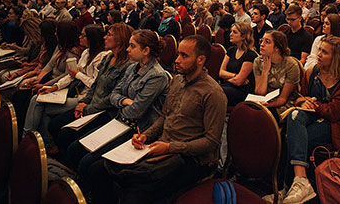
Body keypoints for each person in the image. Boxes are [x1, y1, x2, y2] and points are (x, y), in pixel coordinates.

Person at [89, 35, 227, 204]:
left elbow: (211, 142)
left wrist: (170, 147)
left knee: (134, 194)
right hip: (163, 145)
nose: (176, 60)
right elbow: (164, 116)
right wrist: (146, 135)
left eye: (184, 56)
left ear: (200, 60)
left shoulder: (213, 93)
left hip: (191, 159)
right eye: (177, 54)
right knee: (98, 169)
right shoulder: (177, 81)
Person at [67, 29, 170, 188]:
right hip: (120, 121)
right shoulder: (133, 67)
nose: (128, 49)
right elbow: (114, 94)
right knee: (75, 148)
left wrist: (121, 103)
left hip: (137, 129)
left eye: (132, 46)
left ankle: (86, 191)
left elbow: (136, 111)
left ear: (146, 51)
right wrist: (125, 101)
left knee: (89, 163)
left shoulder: (157, 75)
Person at [272, 36, 340, 204]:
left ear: (336, 57)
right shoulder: (313, 71)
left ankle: (287, 188)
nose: (319, 54)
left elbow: (334, 113)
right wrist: (304, 101)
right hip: (310, 115)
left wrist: (315, 105)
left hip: (333, 124)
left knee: (294, 138)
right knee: (295, 116)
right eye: (319, 49)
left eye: (324, 52)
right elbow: (300, 96)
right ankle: (301, 181)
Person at [23, 24, 108, 153]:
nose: (80, 37)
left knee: (39, 104)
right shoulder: (86, 52)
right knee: (39, 101)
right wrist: (53, 87)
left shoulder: (102, 57)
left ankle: (30, 139)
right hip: (75, 92)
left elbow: (94, 84)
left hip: (85, 98)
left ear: (91, 38)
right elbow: (70, 75)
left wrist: (78, 75)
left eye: (83, 35)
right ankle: (44, 143)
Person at [51, 23, 133, 152]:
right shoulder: (108, 57)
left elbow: (111, 97)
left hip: (105, 111)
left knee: (66, 136)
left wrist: (87, 108)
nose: (105, 37)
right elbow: (95, 84)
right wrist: (84, 102)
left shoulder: (127, 66)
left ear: (119, 41)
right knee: (55, 124)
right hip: (91, 103)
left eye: (109, 35)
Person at [254, 30, 301, 117]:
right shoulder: (258, 61)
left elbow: (283, 99)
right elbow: (260, 93)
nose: (262, 44)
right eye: (262, 40)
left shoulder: (291, 65)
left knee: (261, 117)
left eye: (267, 42)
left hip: (284, 104)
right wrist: (265, 71)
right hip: (264, 100)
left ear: (277, 48)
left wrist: (268, 105)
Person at [219, 23, 258, 106]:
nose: (231, 34)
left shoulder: (250, 55)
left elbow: (238, 82)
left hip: (241, 91)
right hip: (228, 86)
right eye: (231, 31)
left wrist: (227, 78)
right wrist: (234, 76)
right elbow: (221, 73)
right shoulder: (231, 50)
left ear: (243, 36)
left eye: (234, 32)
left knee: (215, 92)